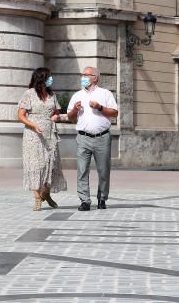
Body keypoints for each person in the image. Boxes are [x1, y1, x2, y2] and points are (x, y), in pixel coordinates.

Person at [67, 66, 118, 211]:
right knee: (82, 170)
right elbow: (70, 118)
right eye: (82, 74)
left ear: (95, 77)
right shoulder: (77, 95)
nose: (83, 77)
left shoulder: (105, 93)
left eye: (86, 74)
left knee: (103, 171)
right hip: (83, 138)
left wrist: (100, 107)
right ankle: (84, 201)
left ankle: (102, 198)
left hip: (102, 138)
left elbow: (115, 113)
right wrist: (75, 110)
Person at [17, 67, 67, 211]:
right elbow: (20, 116)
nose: (51, 79)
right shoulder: (29, 94)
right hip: (33, 136)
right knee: (35, 166)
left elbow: (56, 112)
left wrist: (56, 117)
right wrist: (33, 125)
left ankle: (46, 193)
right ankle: (37, 197)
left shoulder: (52, 94)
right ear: (41, 78)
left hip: (50, 135)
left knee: (51, 166)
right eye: (49, 77)